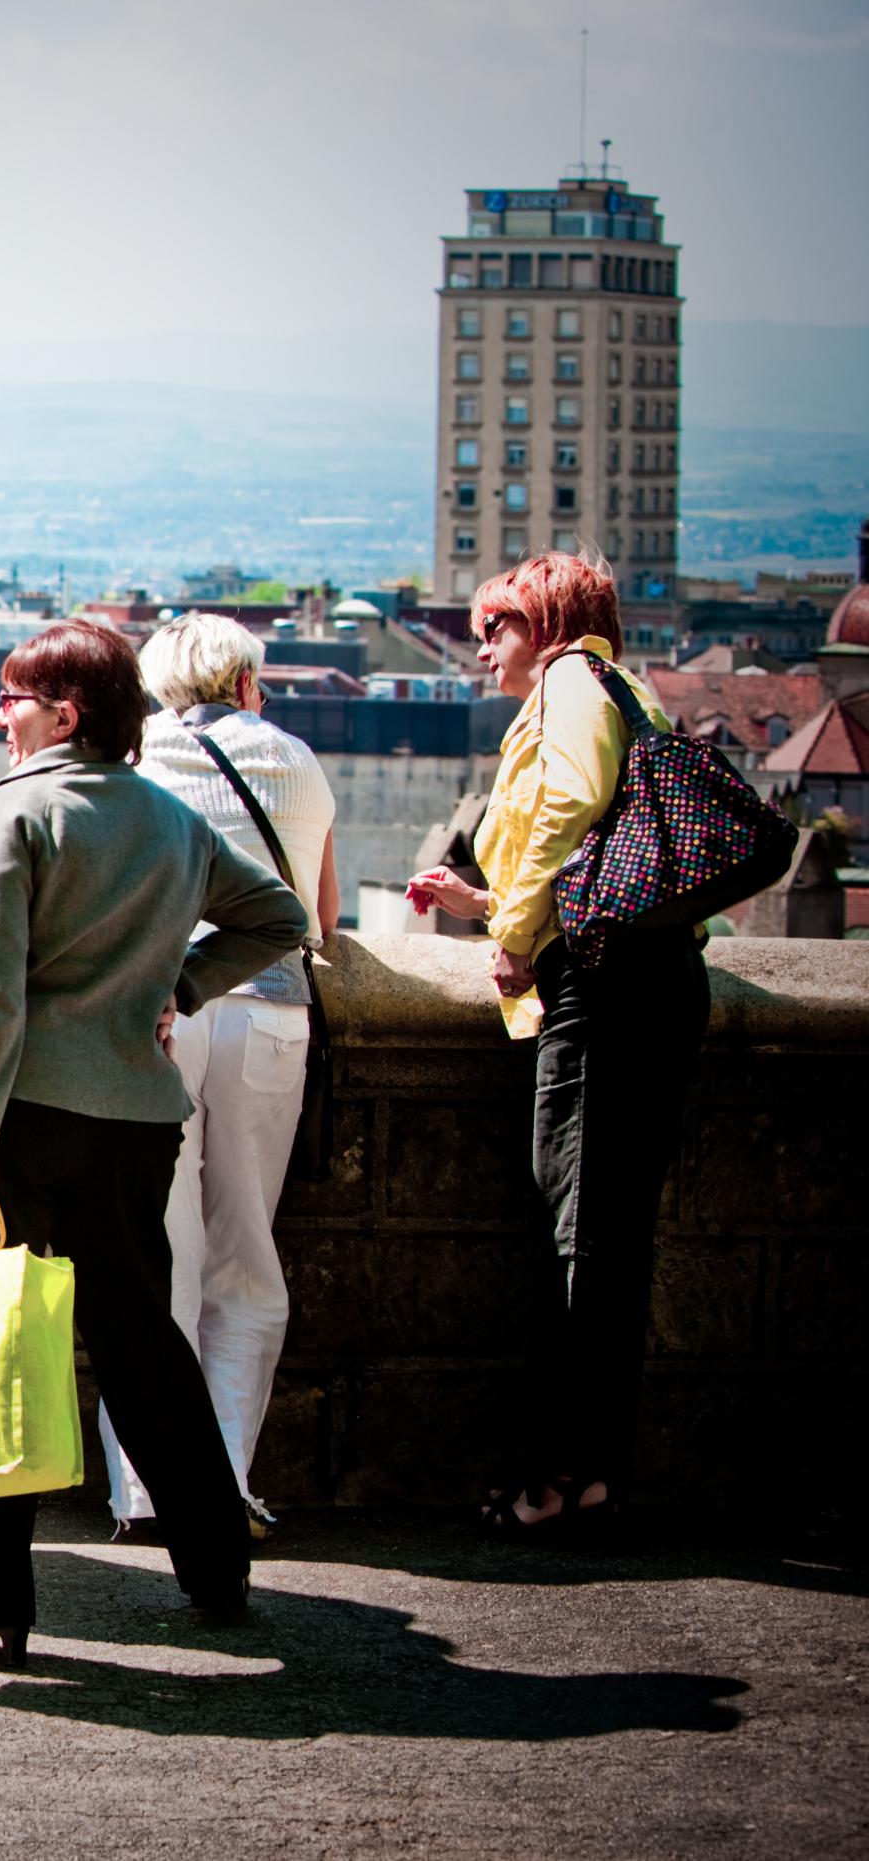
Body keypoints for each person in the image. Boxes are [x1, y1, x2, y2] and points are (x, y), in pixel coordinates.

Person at [0, 619, 306, 1666]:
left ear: (61, 714)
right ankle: (216, 1562)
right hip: (130, 1118)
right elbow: (280, 915)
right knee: (141, 1344)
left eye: (12, 698)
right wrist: (181, 986)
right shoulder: (169, 821)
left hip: (7, 1121)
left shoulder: (13, 815)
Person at [408, 553, 706, 1539]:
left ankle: (561, 1477)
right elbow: (608, 864)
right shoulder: (626, 687)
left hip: (607, 995)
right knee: (607, 1238)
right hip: (649, 985)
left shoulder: (572, 682)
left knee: (583, 1237)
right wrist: (492, 902)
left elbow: (574, 802)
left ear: (542, 622)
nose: (483, 642)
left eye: (497, 625)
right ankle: (591, 1475)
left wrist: (510, 932)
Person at [102, 613, 341, 1543]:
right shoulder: (297, 759)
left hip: (158, 1013)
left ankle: (143, 1490)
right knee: (245, 1256)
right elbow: (315, 915)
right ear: (246, 681)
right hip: (271, 1011)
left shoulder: (136, 758)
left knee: (152, 1255)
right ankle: (226, 1480)